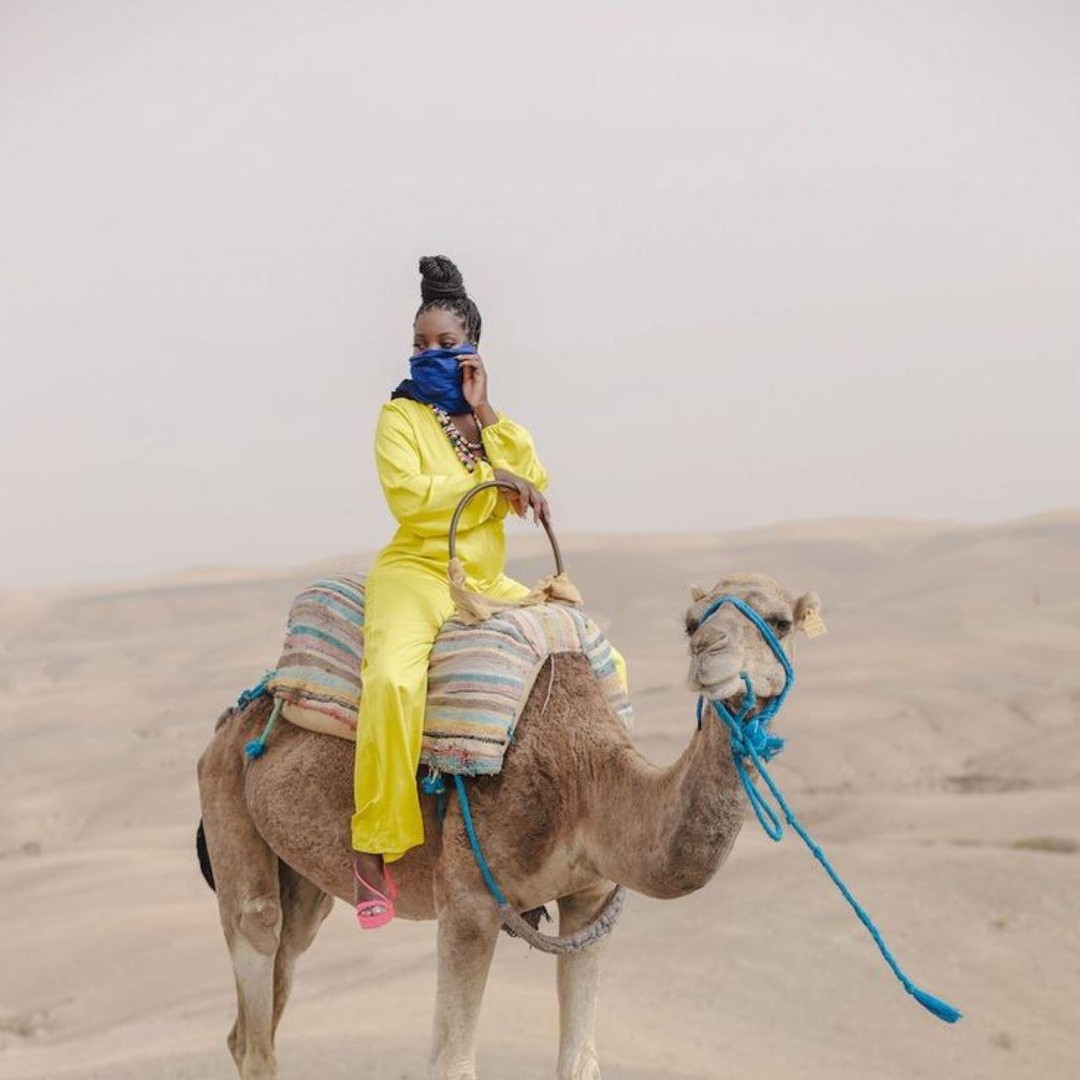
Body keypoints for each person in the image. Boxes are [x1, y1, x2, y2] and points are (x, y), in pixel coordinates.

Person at [352, 255, 627, 929]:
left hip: (485, 581)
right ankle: (373, 847)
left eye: (445, 343)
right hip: (418, 574)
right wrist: (491, 483)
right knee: (392, 680)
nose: (429, 354)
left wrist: (484, 413)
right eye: (420, 344)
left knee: (605, 661)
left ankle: (583, 821)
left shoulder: (493, 425)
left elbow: (533, 480)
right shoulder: (398, 418)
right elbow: (413, 500)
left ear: (472, 349)